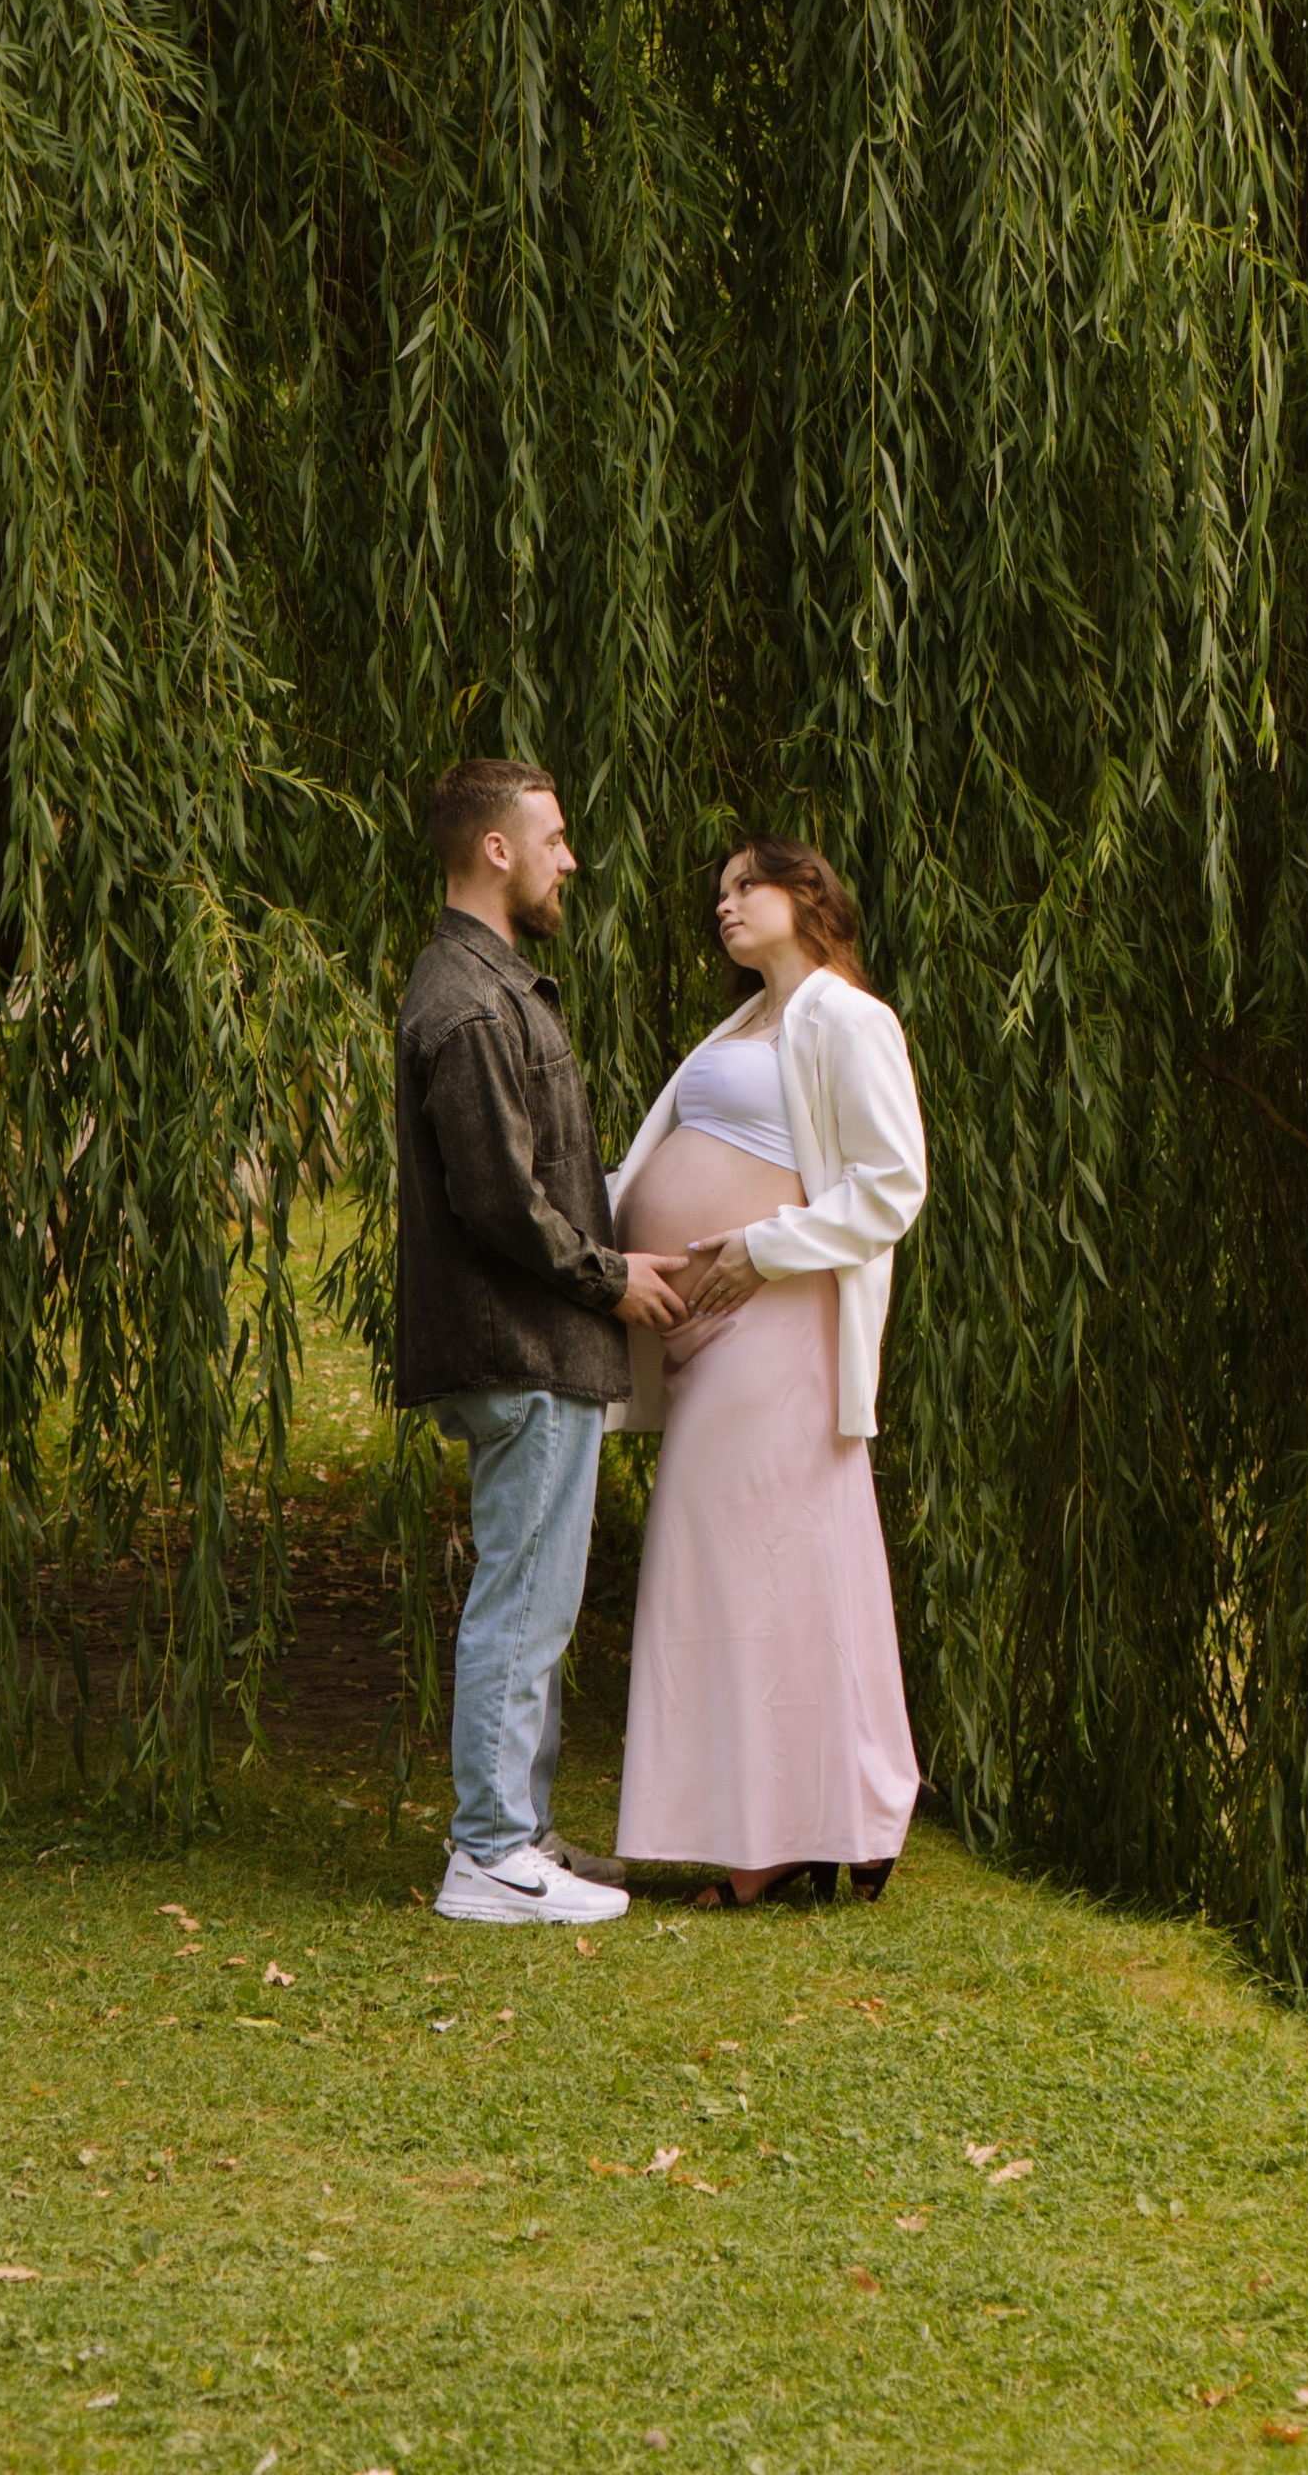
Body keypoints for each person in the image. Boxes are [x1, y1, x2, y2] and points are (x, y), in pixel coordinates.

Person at [393, 757, 686, 1928]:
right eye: (554, 838)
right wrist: (611, 1281)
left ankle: (526, 1839)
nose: (571, 858)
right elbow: (500, 1200)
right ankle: (488, 1856)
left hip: (534, 1347)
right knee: (520, 1599)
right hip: (520, 1345)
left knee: (539, 1597)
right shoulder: (467, 1002)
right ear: (497, 850)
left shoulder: (491, 985)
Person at [610, 837, 926, 1907]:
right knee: (752, 1564)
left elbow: (892, 1185)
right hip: (708, 1329)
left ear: (807, 895)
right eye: (718, 893)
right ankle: (806, 1822)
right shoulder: (745, 1020)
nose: (726, 906)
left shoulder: (846, 1017)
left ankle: (783, 1835)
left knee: (755, 1563)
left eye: (748, 886)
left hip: (779, 1321)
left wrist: (761, 1244)